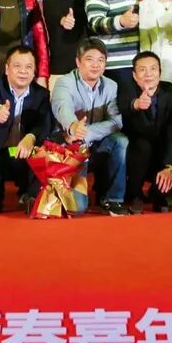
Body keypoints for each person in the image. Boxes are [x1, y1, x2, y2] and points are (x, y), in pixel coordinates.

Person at [50, 38, 128, 216]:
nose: (95, 65)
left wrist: (87, 133)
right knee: (77, 208)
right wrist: (72, 126)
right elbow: (62, 107)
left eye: (101, 60)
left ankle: (113, 199)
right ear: (78, 62)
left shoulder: (111, 86)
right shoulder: (65, 82)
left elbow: (116, 122)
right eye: (89, 59)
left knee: (121, 141)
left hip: (95, 144)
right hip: (71, 147)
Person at [0, 45, 52, 214]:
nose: (23, 71)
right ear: (7, 68)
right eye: (17, 66)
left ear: (34, 71)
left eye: (28, 67)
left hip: (21, 152)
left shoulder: (41, 94)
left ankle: (28, 194)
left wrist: (31, 137)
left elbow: (43, 124)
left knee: (41, 162)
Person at [117, 51, 172, 214]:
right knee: (142, 146)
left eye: (153, 69)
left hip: (161, 153)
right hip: (134, 155)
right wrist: (136, 104)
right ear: (134, 75)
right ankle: (135, 195)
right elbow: (124, 105)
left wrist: (169, 166)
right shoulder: (125, 90)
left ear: (160, 72)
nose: (148, 74)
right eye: (142, 70)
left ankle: (157, 194)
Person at [41, 0, 86, 92]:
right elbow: (56, 17)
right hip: (60, 69)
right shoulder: (49, 0)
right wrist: (64, 21)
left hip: (84, 69)